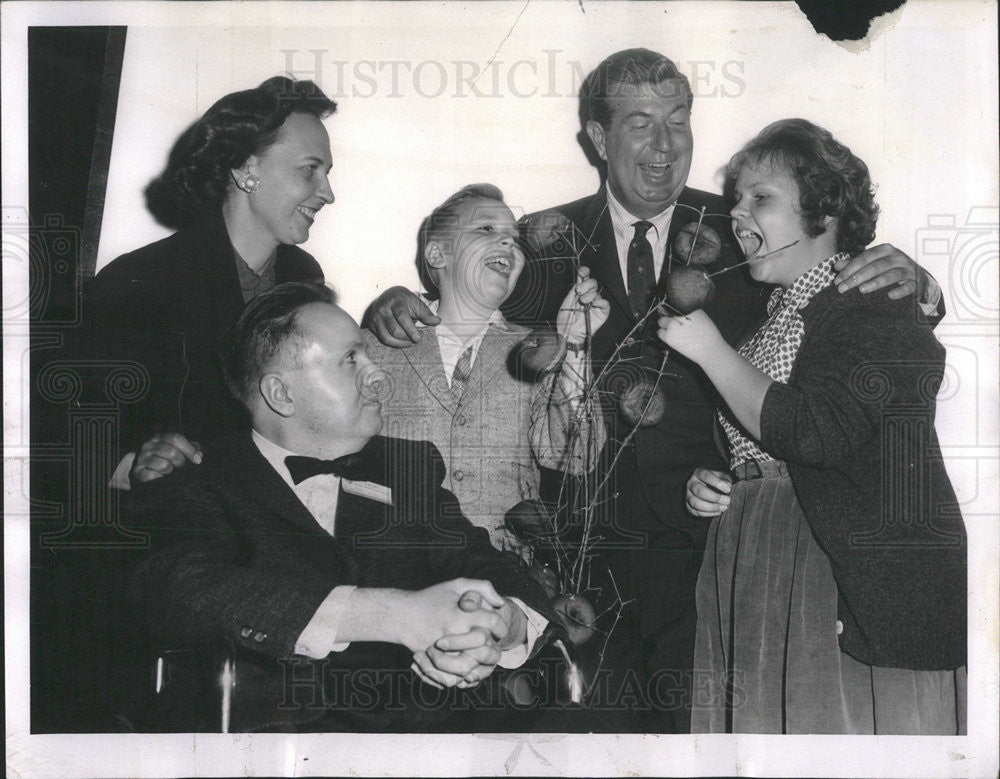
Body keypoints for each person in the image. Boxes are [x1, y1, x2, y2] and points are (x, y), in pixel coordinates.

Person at [363, 49, 944, 733]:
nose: (664, 144)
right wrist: (394, 304)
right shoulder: (543, 241)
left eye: (678, 120)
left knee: (698, 736)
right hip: (568, 556)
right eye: (639, 123)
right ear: (599, 139)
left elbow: (832, 308)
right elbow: (466, 293)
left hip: (711, 550)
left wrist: (918, 283)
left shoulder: (747, 231)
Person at [127, 282, 556, 732]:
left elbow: (482, 560)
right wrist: (393, 614)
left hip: (413, 742)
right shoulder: (197, 476)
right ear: (282, 394)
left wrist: (500, 621)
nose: (379, 376)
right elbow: (179, 591)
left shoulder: (407, 466)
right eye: (351, 359)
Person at [659, 118, 966, 734]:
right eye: (736, 198)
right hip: (760, 553)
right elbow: (771, 438)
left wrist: (711, 351)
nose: (737, 213)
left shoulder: (873, 300)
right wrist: (723, 480)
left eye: (760, 198)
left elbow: (817, 432)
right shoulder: (771, 317)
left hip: (838, 568)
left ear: (823, 213)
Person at [83, 76, 337, 489]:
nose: (327, 192)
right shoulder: (137, 281)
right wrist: (130, 464)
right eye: (310, 170)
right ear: (246, 169)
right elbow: (67, 429)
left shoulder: (305, 278)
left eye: (325, 173)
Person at [365, 183, 609, 553]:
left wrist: (574, 342)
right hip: (395, 572)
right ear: (437, 254)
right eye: (486, 230)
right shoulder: (373, 345)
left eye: (514, 239)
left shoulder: (535, 350)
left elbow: (578, 456)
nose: (509, 244)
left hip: (501, 580)